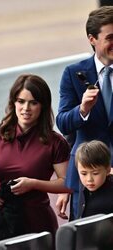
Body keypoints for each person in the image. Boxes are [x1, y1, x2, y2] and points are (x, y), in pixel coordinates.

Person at [0, 74, 71, 242]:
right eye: (21, 101)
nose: (26, 108)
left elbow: (67, 183)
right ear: (13, 102)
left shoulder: (55, 142)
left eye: (33, 103)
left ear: (43, 106)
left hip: (37, 221)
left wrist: (33, 184)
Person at [56, 6, 113, 220]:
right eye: (110, 37)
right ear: (92, 39)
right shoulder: (73, 74)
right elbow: (62, 123)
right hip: (86, 179)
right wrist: (82, 109)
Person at [75, 140, 113, 218]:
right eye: (84, 173)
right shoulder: (83, 185)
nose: (89, 179)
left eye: (95, 173)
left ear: (108, 170)